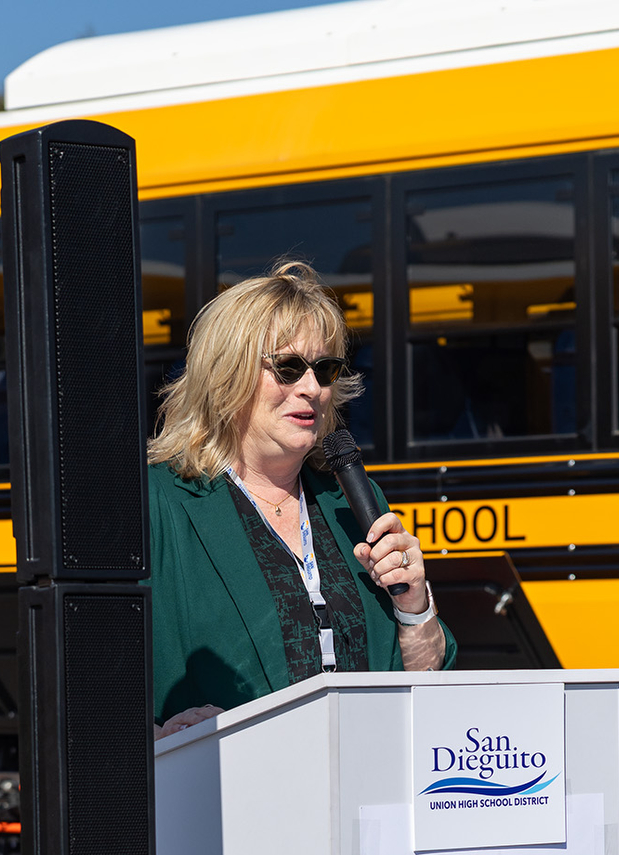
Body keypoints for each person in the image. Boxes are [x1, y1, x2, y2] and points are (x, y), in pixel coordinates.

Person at [147, 261, 456, 737]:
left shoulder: (350, 500)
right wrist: (152, 740)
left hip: (362, 785)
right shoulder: (160, 502)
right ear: (225, 376)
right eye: (288, 368)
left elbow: (423, 681)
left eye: (324, 369)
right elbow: (88, 674)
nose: (311, 387)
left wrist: (414, 607)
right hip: (226, 795)